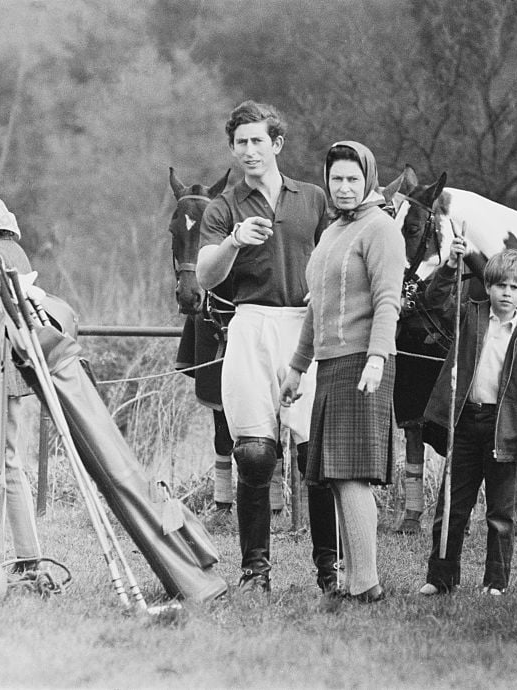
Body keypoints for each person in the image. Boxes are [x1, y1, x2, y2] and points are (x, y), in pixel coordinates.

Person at [196, 100, 336, 594]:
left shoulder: (313, 198)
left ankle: (330, 570)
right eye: (241, 143)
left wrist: (326, 291)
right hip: (250, 322)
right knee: (255, 454)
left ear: (276, 144)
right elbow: (205, 276)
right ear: (232, 149)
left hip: (305, 325)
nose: (249, 150)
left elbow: (336, 256)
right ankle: (255, 571)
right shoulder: (223, 207)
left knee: (317, 457)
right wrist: (233, 241)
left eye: (258, 141)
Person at [280, 141, 405, 603]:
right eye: (337, 179)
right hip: (331, 365)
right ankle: (356, 582)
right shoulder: (332, 231)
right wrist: (297, 368)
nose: (344, 187)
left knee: (352, 474)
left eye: (354, 178)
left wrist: (377, 357)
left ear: (368, 179)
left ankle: (366, 583)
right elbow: (317, 308)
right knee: (335, 474)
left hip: (364, 362)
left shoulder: (382, 229)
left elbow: (388, 300)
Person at [417, 239, 517, 596]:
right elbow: (436, 300)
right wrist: (450, 265)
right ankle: (441, 578)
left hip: (506, 432)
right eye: (500, 285)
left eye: (515, 287)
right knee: (451, 508)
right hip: (464, 424)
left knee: (501, 515)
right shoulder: (469, 316)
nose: (506, 293)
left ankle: (495, 583)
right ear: (487, 286)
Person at [0, 193, 44, 576]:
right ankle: (22, 552)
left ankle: (16, 555)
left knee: (2, 462)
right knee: (7, 460)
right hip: (11, 371)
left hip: (1, 370)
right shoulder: (15, 252)